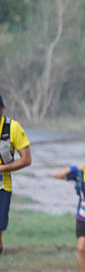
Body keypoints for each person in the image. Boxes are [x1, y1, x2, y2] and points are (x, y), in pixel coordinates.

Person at [0, 93, 32, 256]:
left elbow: (26, 159)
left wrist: (3, 169)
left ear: (3, 108)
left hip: (2, 186)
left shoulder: (12, 128)